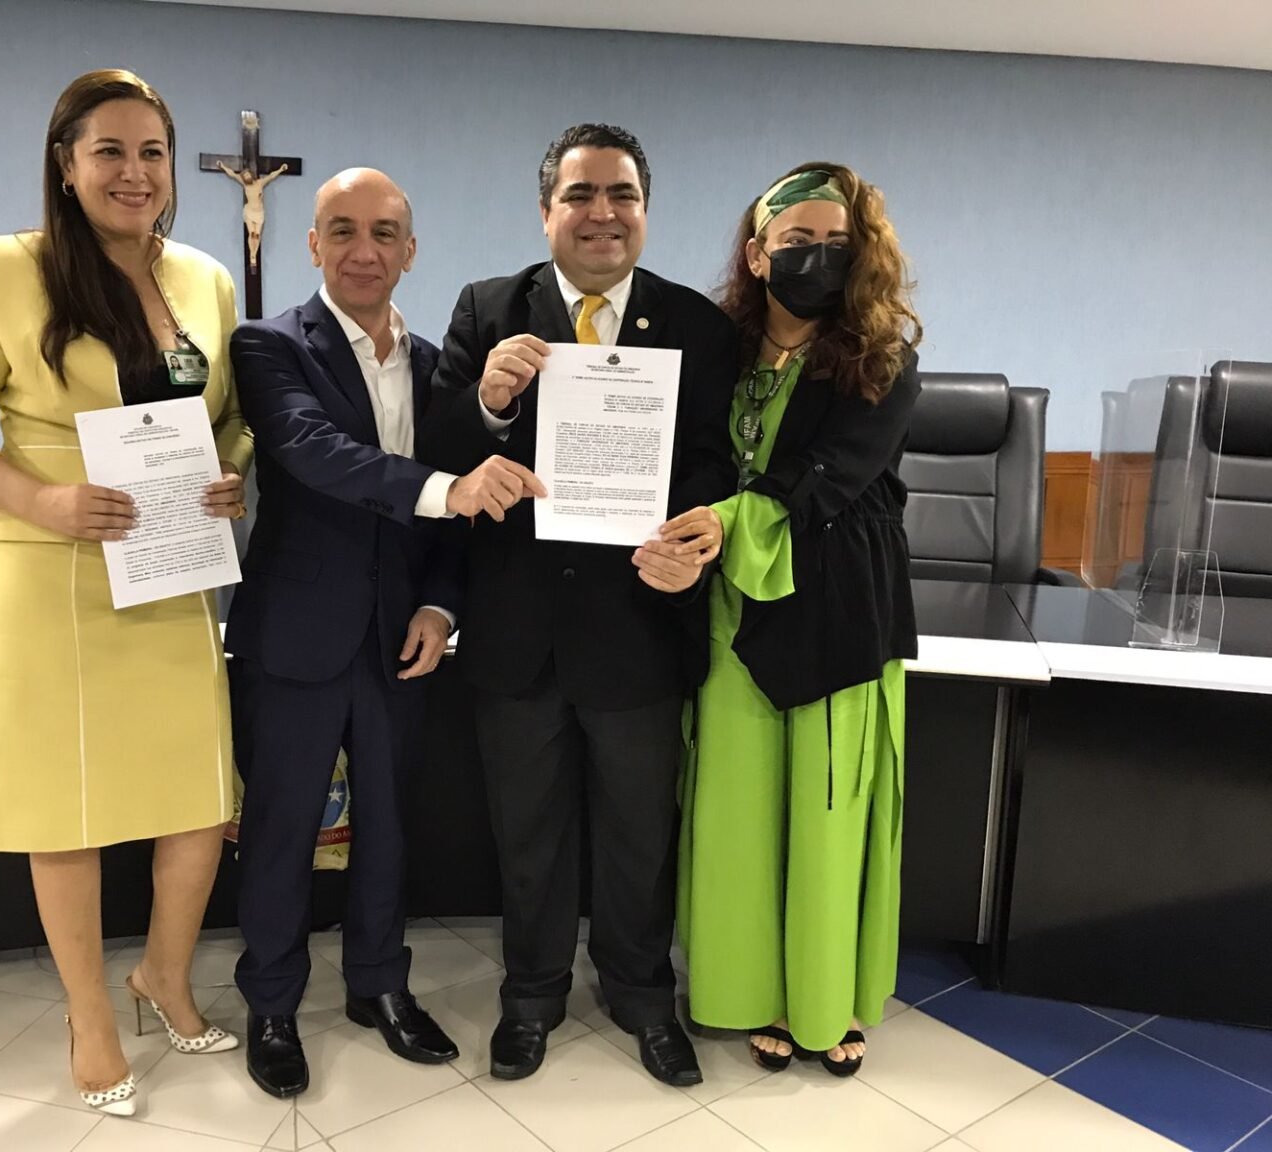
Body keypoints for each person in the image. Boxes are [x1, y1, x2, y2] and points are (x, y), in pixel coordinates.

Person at [0, 69, 252, 1117]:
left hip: (173, 561)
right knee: (70, 803)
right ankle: (90, 1016)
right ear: (66, 165)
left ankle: (164, 975)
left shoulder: (204, 278)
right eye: (110, 151)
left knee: (199, 792)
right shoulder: (8, 268)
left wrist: (231, 472)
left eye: (152, 152)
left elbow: (231, 417)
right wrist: (43, 500)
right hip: (51, 569)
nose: (133, 172)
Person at [417, 123, 737, 1087]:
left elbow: (714, 467)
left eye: (622, 194)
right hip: (517, 633)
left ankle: (642, 995)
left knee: (642, 834)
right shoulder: (488, 308)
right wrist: (489, 404)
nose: (603, 214)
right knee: (528, 833)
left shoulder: (696, 323)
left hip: (640, 629)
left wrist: (695, 545)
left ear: (645, 209)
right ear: (546, 209)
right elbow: (438, 451)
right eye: (581, 194)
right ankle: (532, 995)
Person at [227, 167, 538, 1099]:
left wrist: (441, 606)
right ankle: (273, 1003)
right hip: (298, 631)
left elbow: (449, 514)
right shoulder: (268, 345)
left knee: (391, 826)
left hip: (401, 635)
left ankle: (379, 987)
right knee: (281, 827)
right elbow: (314, 453)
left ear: (411, 250)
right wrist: (449, 489)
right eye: (343, 230)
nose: (365, 250)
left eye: (385, 233)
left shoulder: (438, 364)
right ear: (312, 244)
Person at [677, 163, 923, 1078]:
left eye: (836, 243)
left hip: (836, 609)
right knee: (739, 808)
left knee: (826, 811)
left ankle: (822, 999)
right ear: (757, 253)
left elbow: (830, 478)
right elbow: (696, 456)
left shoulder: (883, 359)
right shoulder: (720, 352)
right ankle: (750, 992)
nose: (817, 257)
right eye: (797, 242)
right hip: (729, 605)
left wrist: (721, 523)